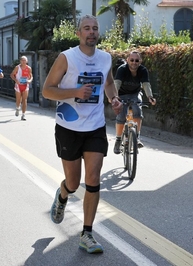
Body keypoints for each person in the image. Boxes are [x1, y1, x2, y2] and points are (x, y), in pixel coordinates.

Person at [42, 15, 122, 254]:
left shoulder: (105, 58)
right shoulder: (67, 57)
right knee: (74, 183)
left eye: (95, 28)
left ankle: (86, 233)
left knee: (94, 178)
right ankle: (63, 194)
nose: (91, 32)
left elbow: (108, 83)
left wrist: (114, 98)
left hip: (95, 126)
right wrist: (75, 91)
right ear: (78, 33)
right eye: (86, 28)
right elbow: (47, 90)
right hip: (69, 127)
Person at [113, 51, 157, 154]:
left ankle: (136, 138)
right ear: (127, 60)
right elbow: (117, 83)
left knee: (137, 110)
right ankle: (118, 140)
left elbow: (146, 84)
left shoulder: (143, 70)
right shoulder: (122, 69)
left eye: (137, 60)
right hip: (122, 94)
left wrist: (150, 97)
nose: (134, 62)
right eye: (132, 60)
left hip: (135, 94)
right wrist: (115, 97)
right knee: (121, 117)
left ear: (140, 61)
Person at [10, 56, 33, 121]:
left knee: (24, 100)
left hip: (25, 85)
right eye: (22, 60)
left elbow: (31, 76)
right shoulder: (17, 67)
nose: (23, 62)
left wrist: (29, 81)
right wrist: (16, 80)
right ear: (20, 61)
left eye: (25, 60)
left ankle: (23, 114)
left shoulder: (29, 68)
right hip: (18, 85)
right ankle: (17, 108)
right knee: (18, 99)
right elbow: (12, 75)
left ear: (27, 61)